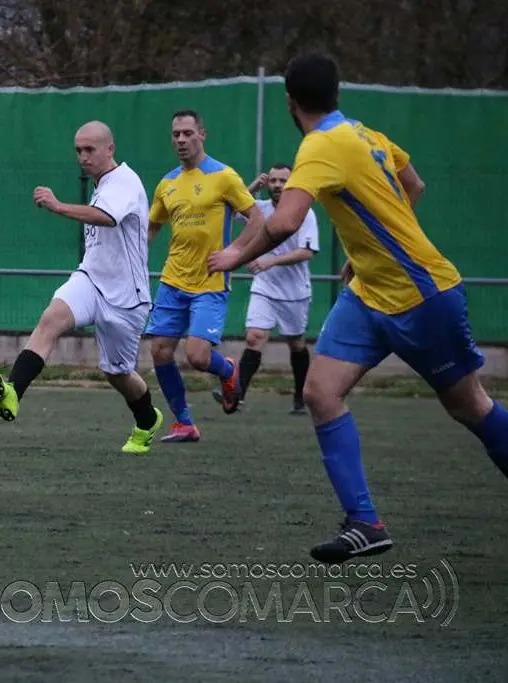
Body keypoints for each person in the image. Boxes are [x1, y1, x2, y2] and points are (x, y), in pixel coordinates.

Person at [207, 52, 508, 564]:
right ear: (338, 94)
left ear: (289, 102)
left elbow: (283, 222)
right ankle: (364, 521)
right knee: (320, 392)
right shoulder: (365, 135)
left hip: (422, 297)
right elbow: (414, 185)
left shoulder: (320, 145)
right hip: (369, 295)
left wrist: (235, 254)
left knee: (469, 406)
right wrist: (367, 251)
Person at [0, 120, 165, 454]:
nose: (83, 157)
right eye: (78, 150)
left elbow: (106, 217)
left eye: (90, 150)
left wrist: (58, 206)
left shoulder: (124, 180)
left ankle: (146, 420)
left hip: (127, 297)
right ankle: (13, 391)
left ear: (110, 149)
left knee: (118, 374)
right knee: (51, 318)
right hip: (90, 280)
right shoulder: (101, 184)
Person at [146, 110, 266, 443]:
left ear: (202, 134)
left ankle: (228, 370)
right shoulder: (167, 183)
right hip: (173, 280)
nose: (181, 140)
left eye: (187, 133)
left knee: (197, 356)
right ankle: (184, 422)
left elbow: (256, 218)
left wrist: (235, 252)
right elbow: (152, 226)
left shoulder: (224, 176)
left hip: (210, 282)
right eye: (175, 135)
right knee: (160, 351)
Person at [211, 164, 319, 414]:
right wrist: (251, 188)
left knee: (296, 343)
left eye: (283, 181)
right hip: (265, 285)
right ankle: (237, 395)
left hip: (294, 291)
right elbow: (234, 211)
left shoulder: (305, 213)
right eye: (273, 180)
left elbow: (307, 251)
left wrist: (271, 260)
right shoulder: (260, 208)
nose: (277, 185)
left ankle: (300, 397)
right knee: (254, 337)